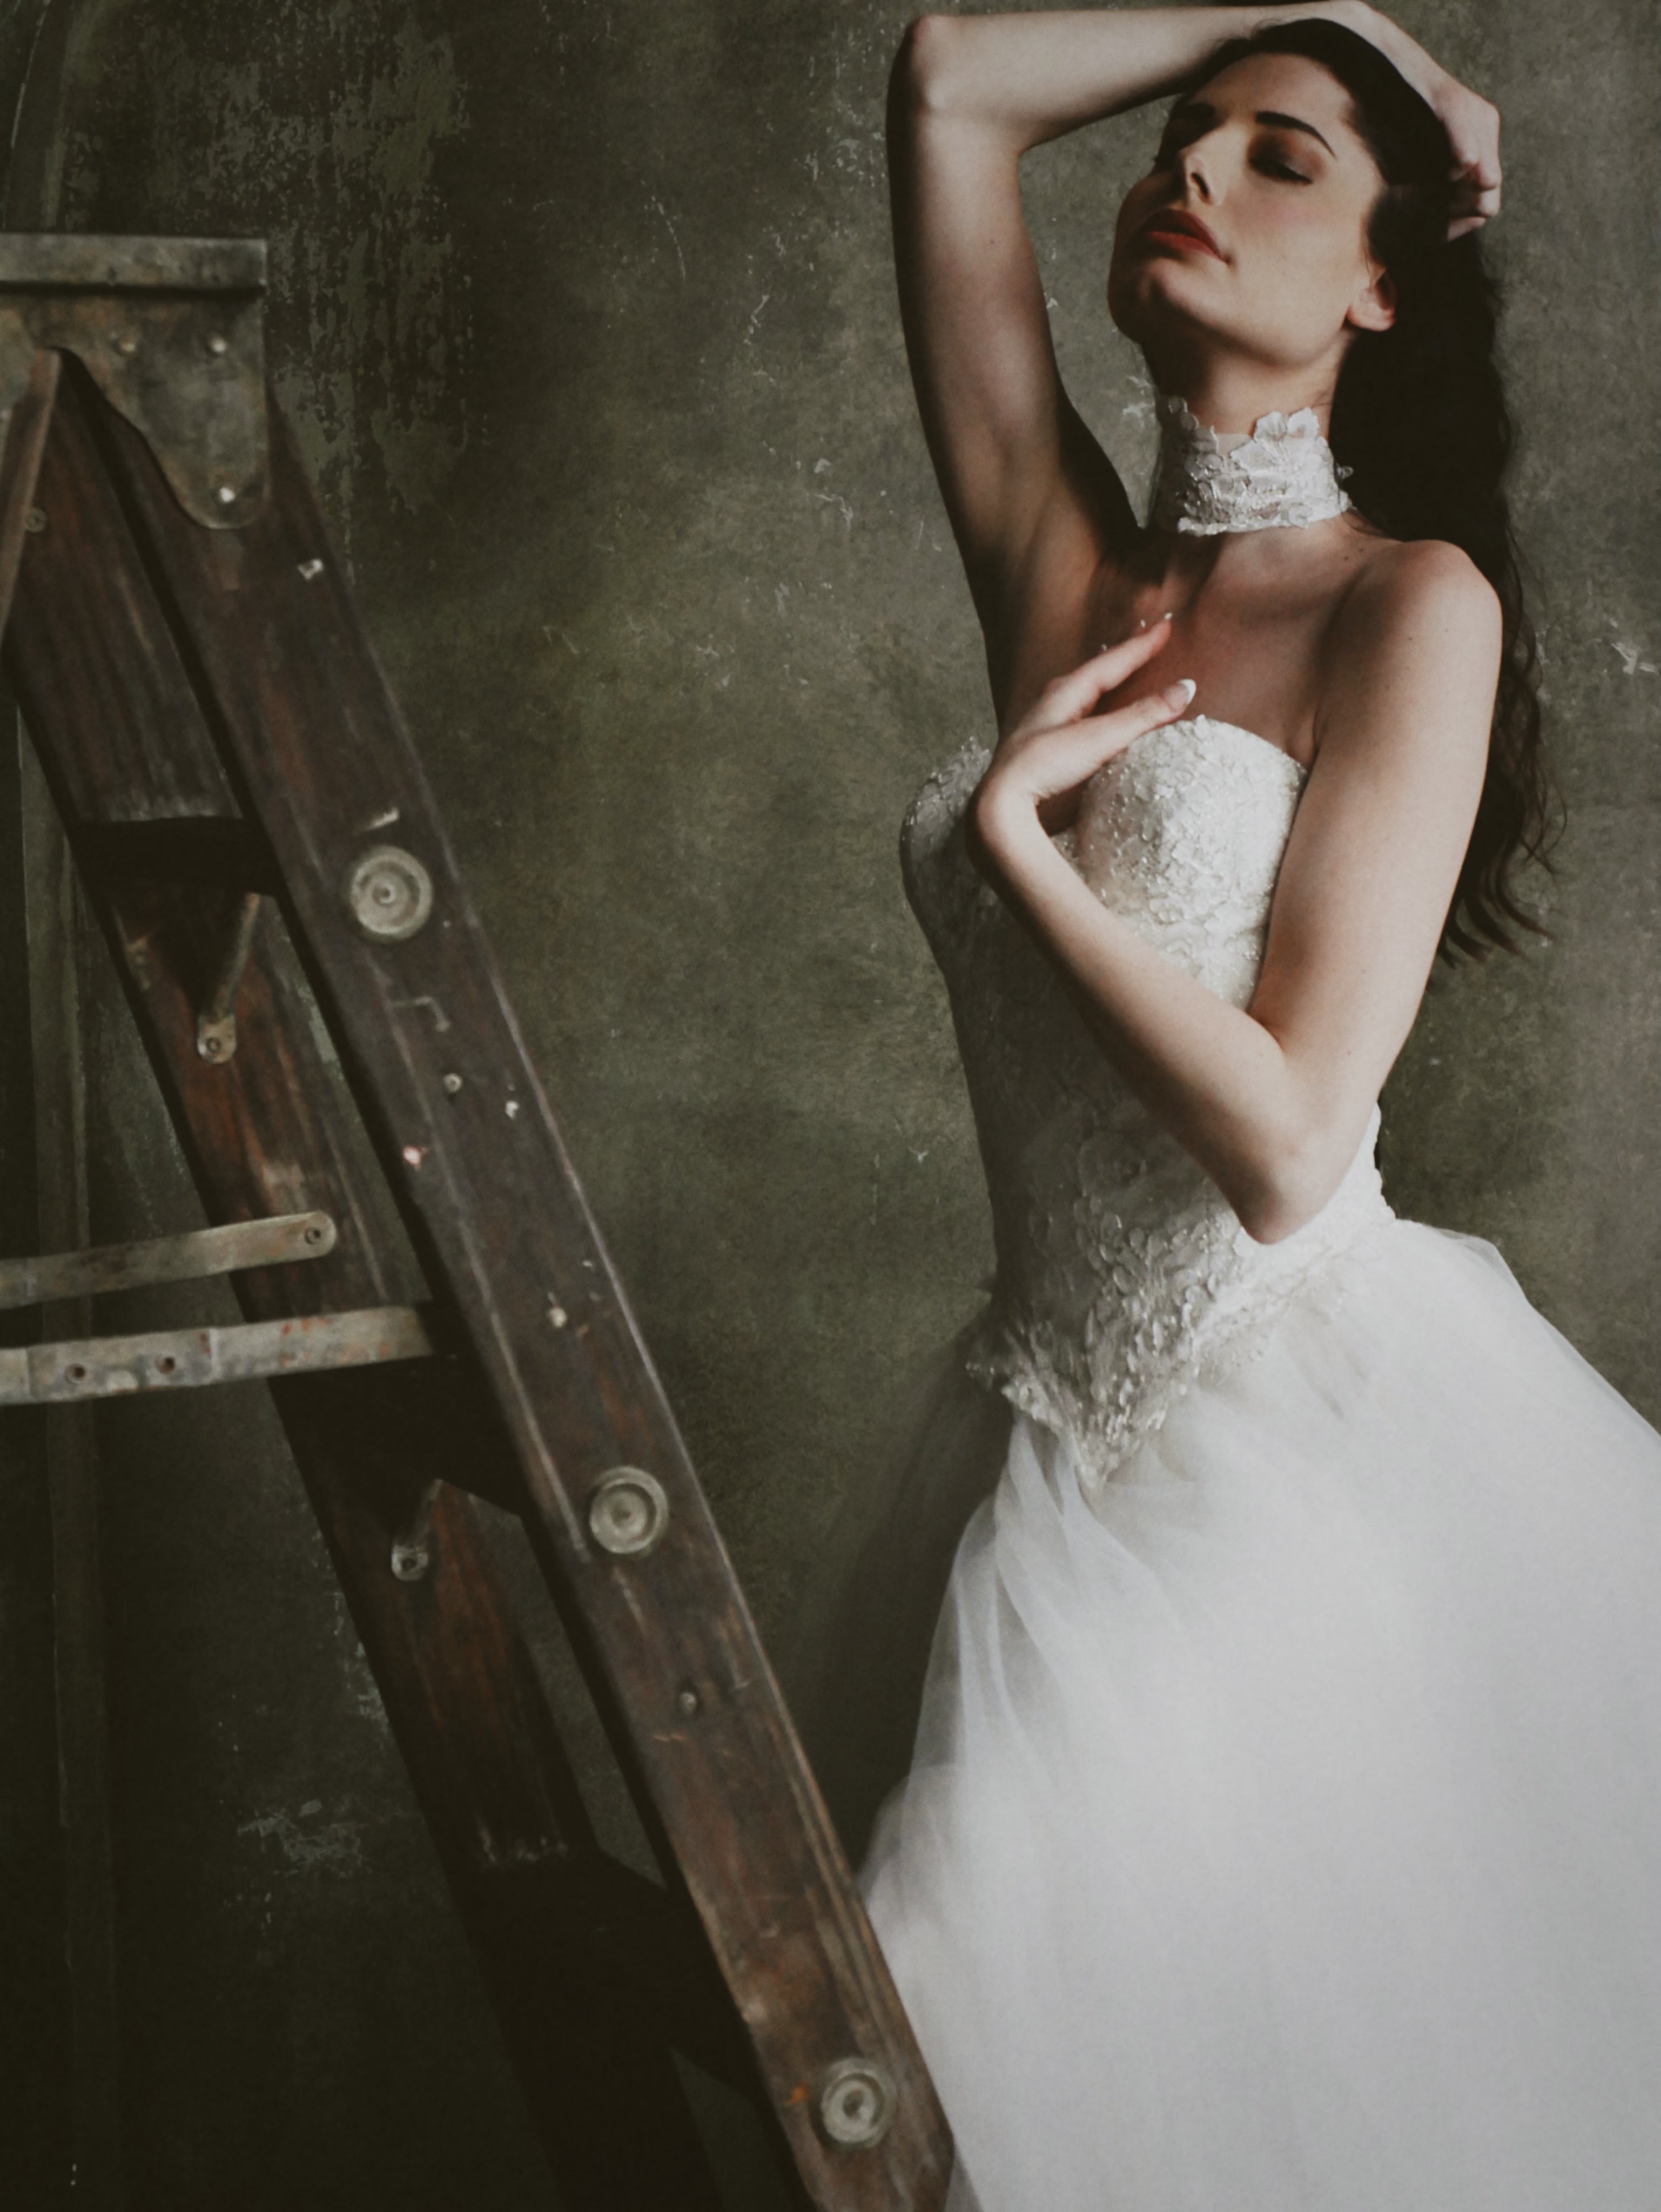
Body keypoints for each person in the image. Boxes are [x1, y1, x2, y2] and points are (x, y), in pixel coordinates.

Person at [796, 8, 1661, 2207]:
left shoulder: (1411, 604)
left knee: (966, 2023)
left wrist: (1015, 842)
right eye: (1181, 142)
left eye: (1282, 160)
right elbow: (951, 81)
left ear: (1382, 282)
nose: (1191, 171)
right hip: (1034, 1447)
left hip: (1289, 1463)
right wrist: (1354, 19)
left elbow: (1283, 1147)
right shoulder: (1069, 569)